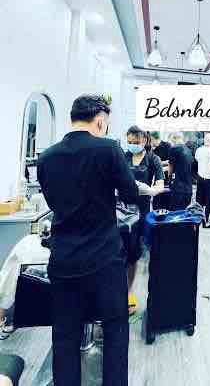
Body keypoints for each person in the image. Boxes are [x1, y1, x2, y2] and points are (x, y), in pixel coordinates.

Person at [37, 94, 139, 386]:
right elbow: (130, 193)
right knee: (115, 331)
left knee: (64, 337)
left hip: (64, 260)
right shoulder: (108, 149)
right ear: (100, 121)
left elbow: (54, 202)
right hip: (104, 259)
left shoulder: (46, 157)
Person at [124, 126, 164, 314]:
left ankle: (129, 292)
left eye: (136, 142)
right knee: (118, 253)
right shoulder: (123, 156)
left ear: (145, 140)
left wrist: (151, 190)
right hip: (120, 209)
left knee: (133, 253)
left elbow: (160, 184)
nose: (132, 145)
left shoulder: (153, 159)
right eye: (129, 142)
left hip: (140, 211)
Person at [195, 133, 210, 228]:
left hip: (200, 178)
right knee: (209, 200)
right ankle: (206, 221)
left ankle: (198, 220)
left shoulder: (198, 150)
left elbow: (197, 159)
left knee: (199, 200)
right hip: (209, 178)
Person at [168, 132, 193, 210]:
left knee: (175, 213)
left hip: (178, 189)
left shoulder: (174, 149)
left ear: (174, 139)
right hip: (188, 189)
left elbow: (170, 167)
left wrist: (169, 178)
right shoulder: (188, 150)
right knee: (184, 213)